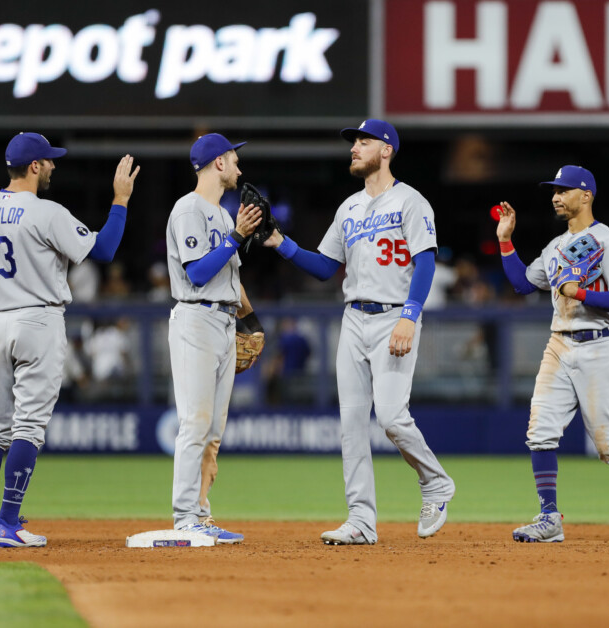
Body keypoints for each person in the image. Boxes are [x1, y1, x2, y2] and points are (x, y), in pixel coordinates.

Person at [264, 119, 455, 545]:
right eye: (353, 141)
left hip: (394, 316)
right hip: (353, 317)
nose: (354, 147)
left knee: (390, 417)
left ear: (386, 150)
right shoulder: (347, 208)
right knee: (351, 423)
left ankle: (436, 482)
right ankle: (361, 520)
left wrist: (410, 314)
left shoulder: (411, 201)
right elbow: (327, 267)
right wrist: (283, 244)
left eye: (363, 141)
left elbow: (425, 262)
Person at [0, 132, 138, 547]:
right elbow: (105, 250)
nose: (53, 166)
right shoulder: (46, 212)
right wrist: (121, 199)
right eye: (49, 161)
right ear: (34, 166)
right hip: (39, 322)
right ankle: (8, 522)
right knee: (29, 427)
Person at [495, 165, 609, 543]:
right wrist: (506, 241)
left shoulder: (608, 241)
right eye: (554, 191)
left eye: (564, 190)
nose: (556, 196)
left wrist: (581, 293)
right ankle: (548, 518)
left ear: (586, 195)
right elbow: (524, 283)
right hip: (559, 343)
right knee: (539, 432)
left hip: (601, 345)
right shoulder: (556, 247)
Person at [165, 133, 265, 544]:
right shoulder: (188, 209)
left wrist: (252, 322)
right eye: (234, 160)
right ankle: (184, 516)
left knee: (214, 432)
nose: (239, 169)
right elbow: (198, 273)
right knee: (196, 422)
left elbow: (231, 279)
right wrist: (237, 237)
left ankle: (201, 514)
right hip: (195, 318)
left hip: (224, 321)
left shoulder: (225, 217)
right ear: (218, 163)